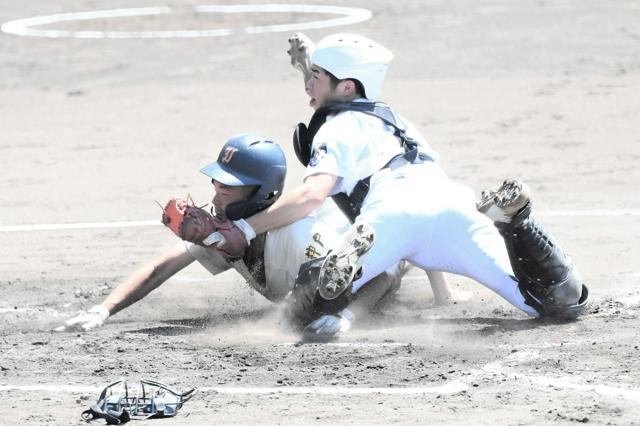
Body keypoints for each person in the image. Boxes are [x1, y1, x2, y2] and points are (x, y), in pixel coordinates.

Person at [208, 33, 589, 330]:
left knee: (306, 308)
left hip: (389, 215)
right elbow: (422, 211)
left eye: (316, 78)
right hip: (452, 204)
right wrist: (443, 295)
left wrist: (243, 226)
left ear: (346, 87)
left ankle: (330, 281)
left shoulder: (335, 129)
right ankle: (517, 223)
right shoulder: (397, 122)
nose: (309, 85)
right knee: (556, 302)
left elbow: (312, 196)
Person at [57, 134, 414, 340]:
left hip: (384, 259)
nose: (216, 194)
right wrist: (102, 311)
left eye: (228, 186)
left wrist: (349, 317)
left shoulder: (299, 234)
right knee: (301, 306)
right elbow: (160, 267)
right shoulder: (223, 232)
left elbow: (381, 274)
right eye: (216, 182)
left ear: (260, 191)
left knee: (315, 294)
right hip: (338, 264)